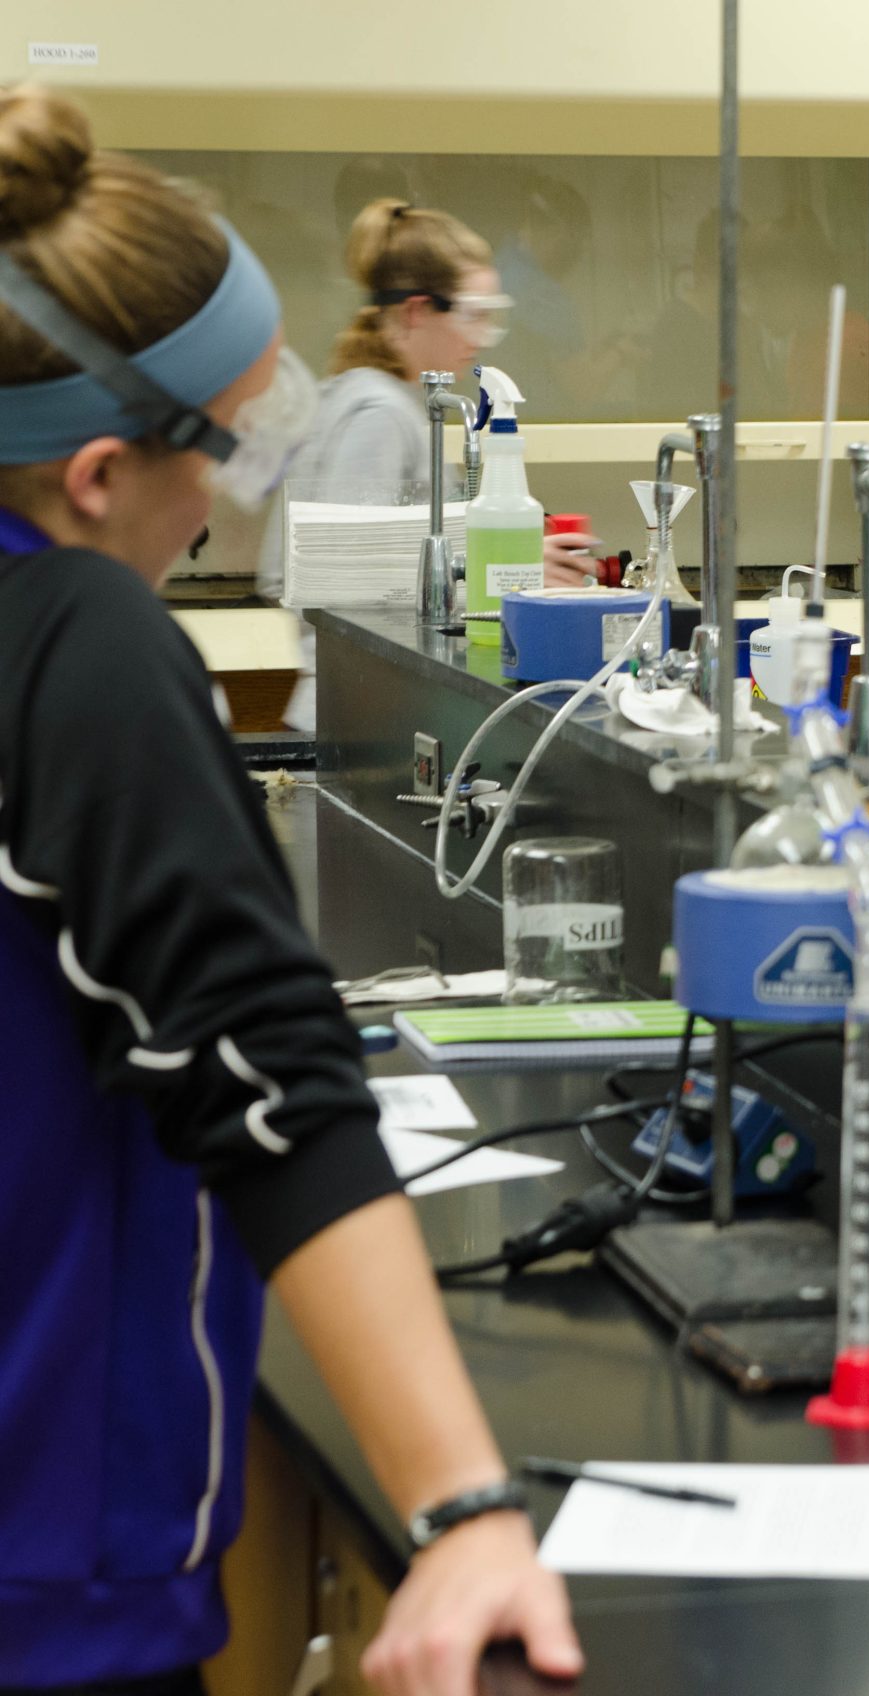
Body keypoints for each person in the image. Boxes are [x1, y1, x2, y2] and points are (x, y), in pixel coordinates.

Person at [0, 85, 580, 1692]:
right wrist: (464, 1510)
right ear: (103, 471)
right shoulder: (77, 642)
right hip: (47, 1576)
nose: (238, 498)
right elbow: (256, 1068)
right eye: (242, 440)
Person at [260, 197, 602, 603]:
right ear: (415, 313)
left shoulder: (388, 402)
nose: (481, 338)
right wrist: (512, 569)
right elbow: (347, 575)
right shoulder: (378, 416)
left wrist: (508, 558)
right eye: (473, 316)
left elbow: (399, 554)